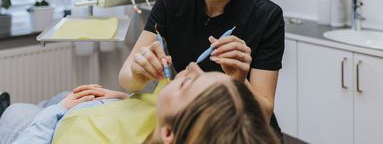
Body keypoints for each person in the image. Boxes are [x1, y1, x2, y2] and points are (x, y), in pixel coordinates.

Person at [119, 0, 285, 138]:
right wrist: (139, 72)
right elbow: (126, 78)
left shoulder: (267, 16)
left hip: (243, 131)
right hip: (193, 125)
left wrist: (239, 80)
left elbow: (264, 114)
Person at [0, 63, 279, 144]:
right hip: (89, 106)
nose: (193, 66)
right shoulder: (180, 129)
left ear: (169, 133)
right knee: (60, 95)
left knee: (16, 112)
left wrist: (58, 111)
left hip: (43, 126)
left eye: (186, 83)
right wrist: (122, 97)